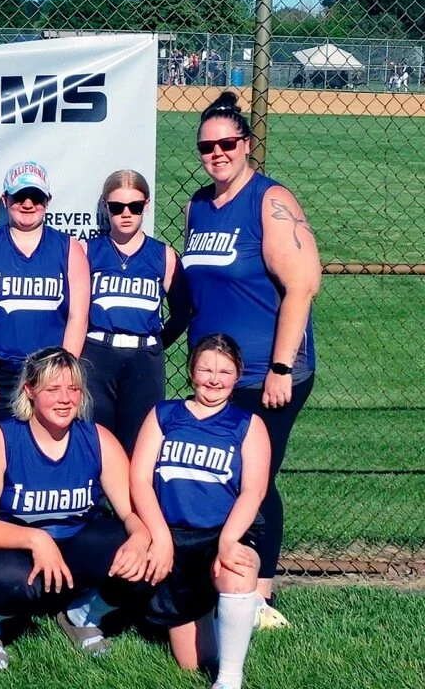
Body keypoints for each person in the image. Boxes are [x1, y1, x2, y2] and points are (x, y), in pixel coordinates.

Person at [183, 91, 320, 627]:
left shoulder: (269, 200)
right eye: (207, 146)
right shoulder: (199, 206)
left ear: (246, 145)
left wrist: (282, 368)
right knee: (231, 475)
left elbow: (303, 285)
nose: (217, 153)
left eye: (227, 143)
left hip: (269, 373)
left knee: (253, 479)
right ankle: (234, 579)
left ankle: (260, 596)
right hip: (218, 374)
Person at [0, 347, 150, 671]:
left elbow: (132, 511)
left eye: (73, 388)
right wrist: (36, 540)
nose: (65, 398)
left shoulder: (98, 438)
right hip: (17, 550)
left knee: (145, 554)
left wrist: (140, 536)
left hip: (75, 547)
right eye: (53, 389)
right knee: (6, 578)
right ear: (30, 390)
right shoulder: (0, 440)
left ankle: (83, 615)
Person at [130, 334, 270, 689]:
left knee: (236, 567)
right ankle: (220, 608)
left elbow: (253, 491)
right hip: (174, 535)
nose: (214, 378)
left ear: (238, 375)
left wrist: (228, 540)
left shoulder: (247, 425)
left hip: (223, 530)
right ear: (191, 370)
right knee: (192, 663)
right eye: (206, 368)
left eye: (224, 371)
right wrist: (160, 537)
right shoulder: (164, 415)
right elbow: (139, 480)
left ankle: (229, 679)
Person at [0, 161, 88, 451]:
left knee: (41, 453)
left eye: (36, 197)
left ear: (47, 201)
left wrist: (62, 375)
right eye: (19, 197)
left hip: (47, 376)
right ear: (5, 200)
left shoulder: (68, 248)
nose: (28, 204)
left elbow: (78, 317)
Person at [85, 169, 189, 455]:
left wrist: (156, 344)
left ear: (147, 205)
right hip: (97, 355)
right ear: (105, 206)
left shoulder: (162, 255)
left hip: (143, 360)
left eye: (135, 206)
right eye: (117, 207)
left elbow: (182, 312)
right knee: (96, 441)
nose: (126, 214)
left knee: (139, 444)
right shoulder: (88, 251)